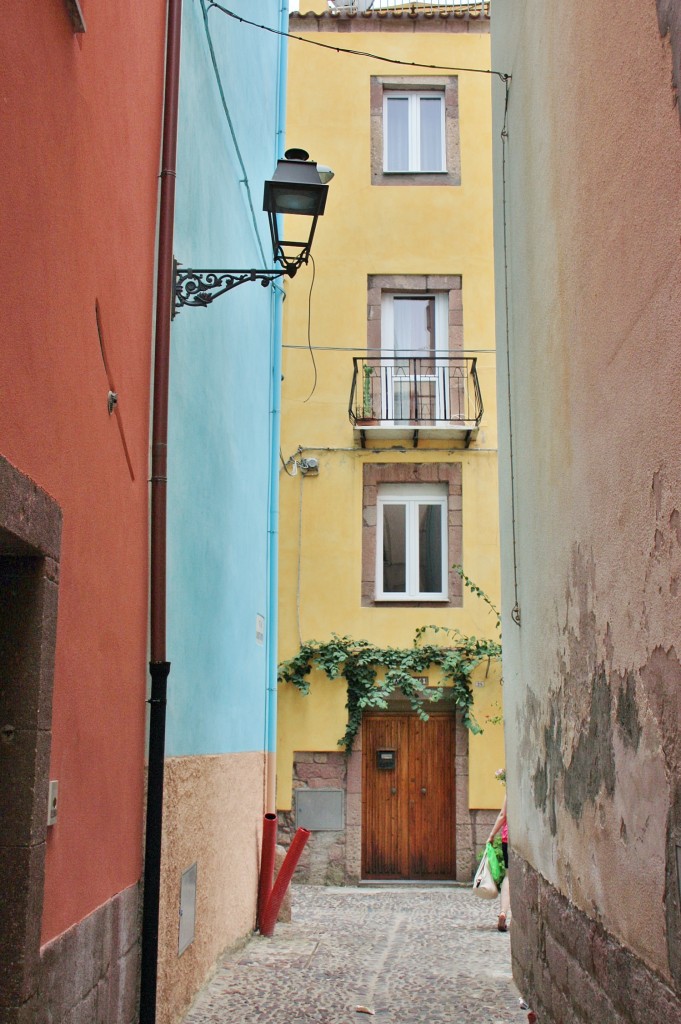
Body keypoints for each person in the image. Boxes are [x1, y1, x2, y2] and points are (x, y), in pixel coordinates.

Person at [488, 794, 510, 931]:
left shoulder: (511, 790)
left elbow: (503, 814)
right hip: (523, 838)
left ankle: (503, 912)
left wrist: (491, 834)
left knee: (508, 876)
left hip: (507, 839)